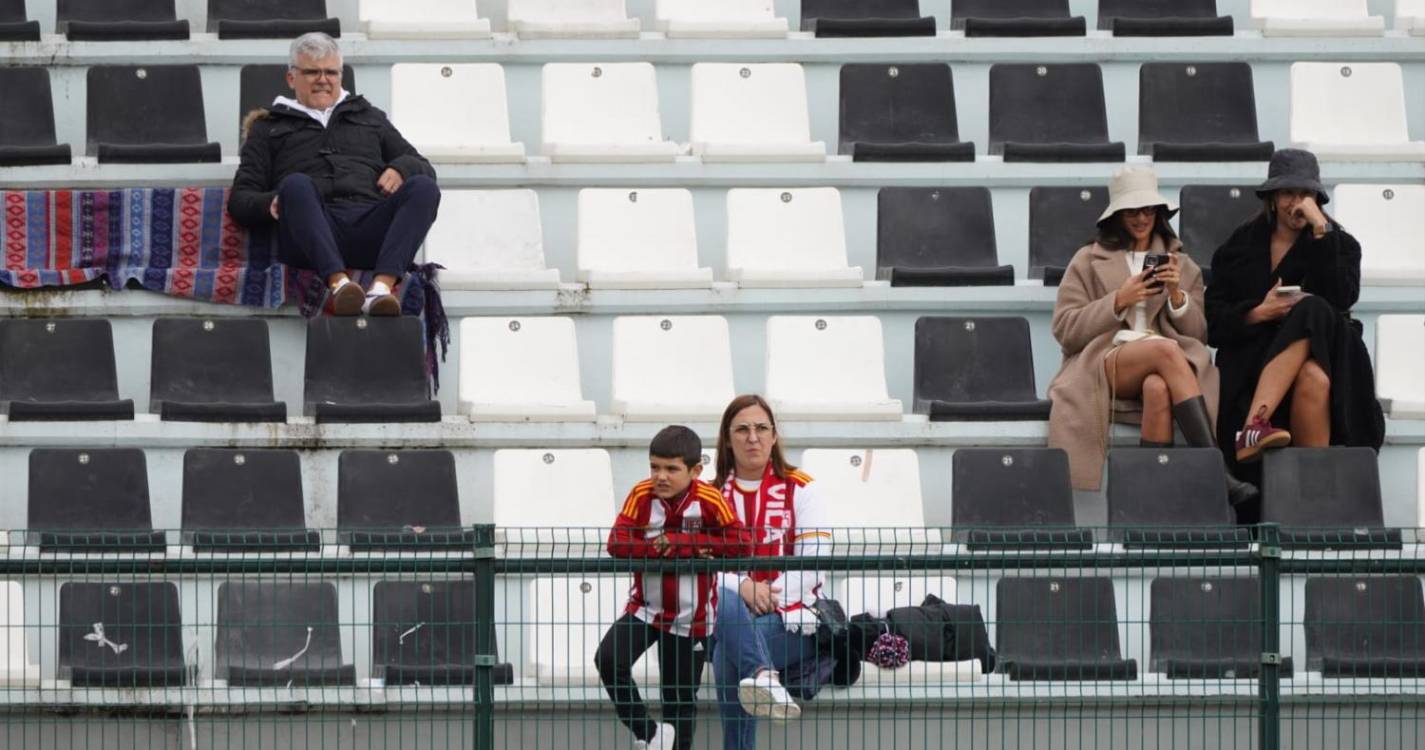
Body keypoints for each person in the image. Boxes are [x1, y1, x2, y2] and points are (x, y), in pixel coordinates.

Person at [1048, 166, 1256, 506]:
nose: (1142, 218)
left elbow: (1200, 335)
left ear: (1159, 213)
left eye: (1148, 210)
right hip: (1106, 361)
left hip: (1163, 368)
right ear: (1117, 215)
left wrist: (1176, 295)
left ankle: (1148, 506)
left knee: (1158, 389)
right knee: (1165, 350)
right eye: (1132, 210)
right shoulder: (1086, 260)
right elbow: (1065, 330)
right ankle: (1216, 467)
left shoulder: (1182, 265)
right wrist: (1118, 301)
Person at [1205, 149, 1385, 518]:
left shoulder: (1340, 244)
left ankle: (1256, 425)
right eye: (1288, 193)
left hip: (1332, 356)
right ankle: (1313, 511)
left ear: (1317, 199)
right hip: (1252, 364)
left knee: (1314, 313)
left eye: (1306, 194)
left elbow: (1341, 298)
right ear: (1272, 197)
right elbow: (1212, 321)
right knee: (1312, 378)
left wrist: (1322, 233)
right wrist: (1259, 312)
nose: (1296, 203)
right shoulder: (1238, 246)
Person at [228, 32, 439, 316]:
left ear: (340, 76)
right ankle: (339, 285)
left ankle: (381, 288)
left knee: (424, 187)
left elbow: (420, 163)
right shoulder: (267, 128)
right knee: (295, 185)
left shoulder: (370, 117)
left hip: (371, 225)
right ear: (292, 79)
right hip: (310, 235)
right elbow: (241, 199)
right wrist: (274, 202)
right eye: (312, 72)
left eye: (330, 72)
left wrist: (400, 169)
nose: (323, 80)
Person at [596, 426, 752, 750]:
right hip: (644, 610)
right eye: (655, 466)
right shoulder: (641, 494)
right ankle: (649, 733)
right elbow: (616, 543)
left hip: (690, 619)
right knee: (609, 659)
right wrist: (659, 548)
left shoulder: (709, 499)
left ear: (695, 470)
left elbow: (741, 544)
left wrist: (685, 542)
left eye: (671, 468)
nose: (661, 476)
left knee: (679, 702)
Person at [709, 395, 836, 750]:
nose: (753, 438)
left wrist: (767, 596)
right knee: (728, 627)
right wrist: (744, 586)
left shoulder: (804, 488)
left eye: (762, 428)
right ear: (727, 438)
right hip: (729, 615)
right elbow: (701, 565)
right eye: (743, 429)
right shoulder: (709, 495)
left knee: (726, 656)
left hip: (795, 621)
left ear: (774, 436)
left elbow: (812, 565)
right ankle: (765, 678)